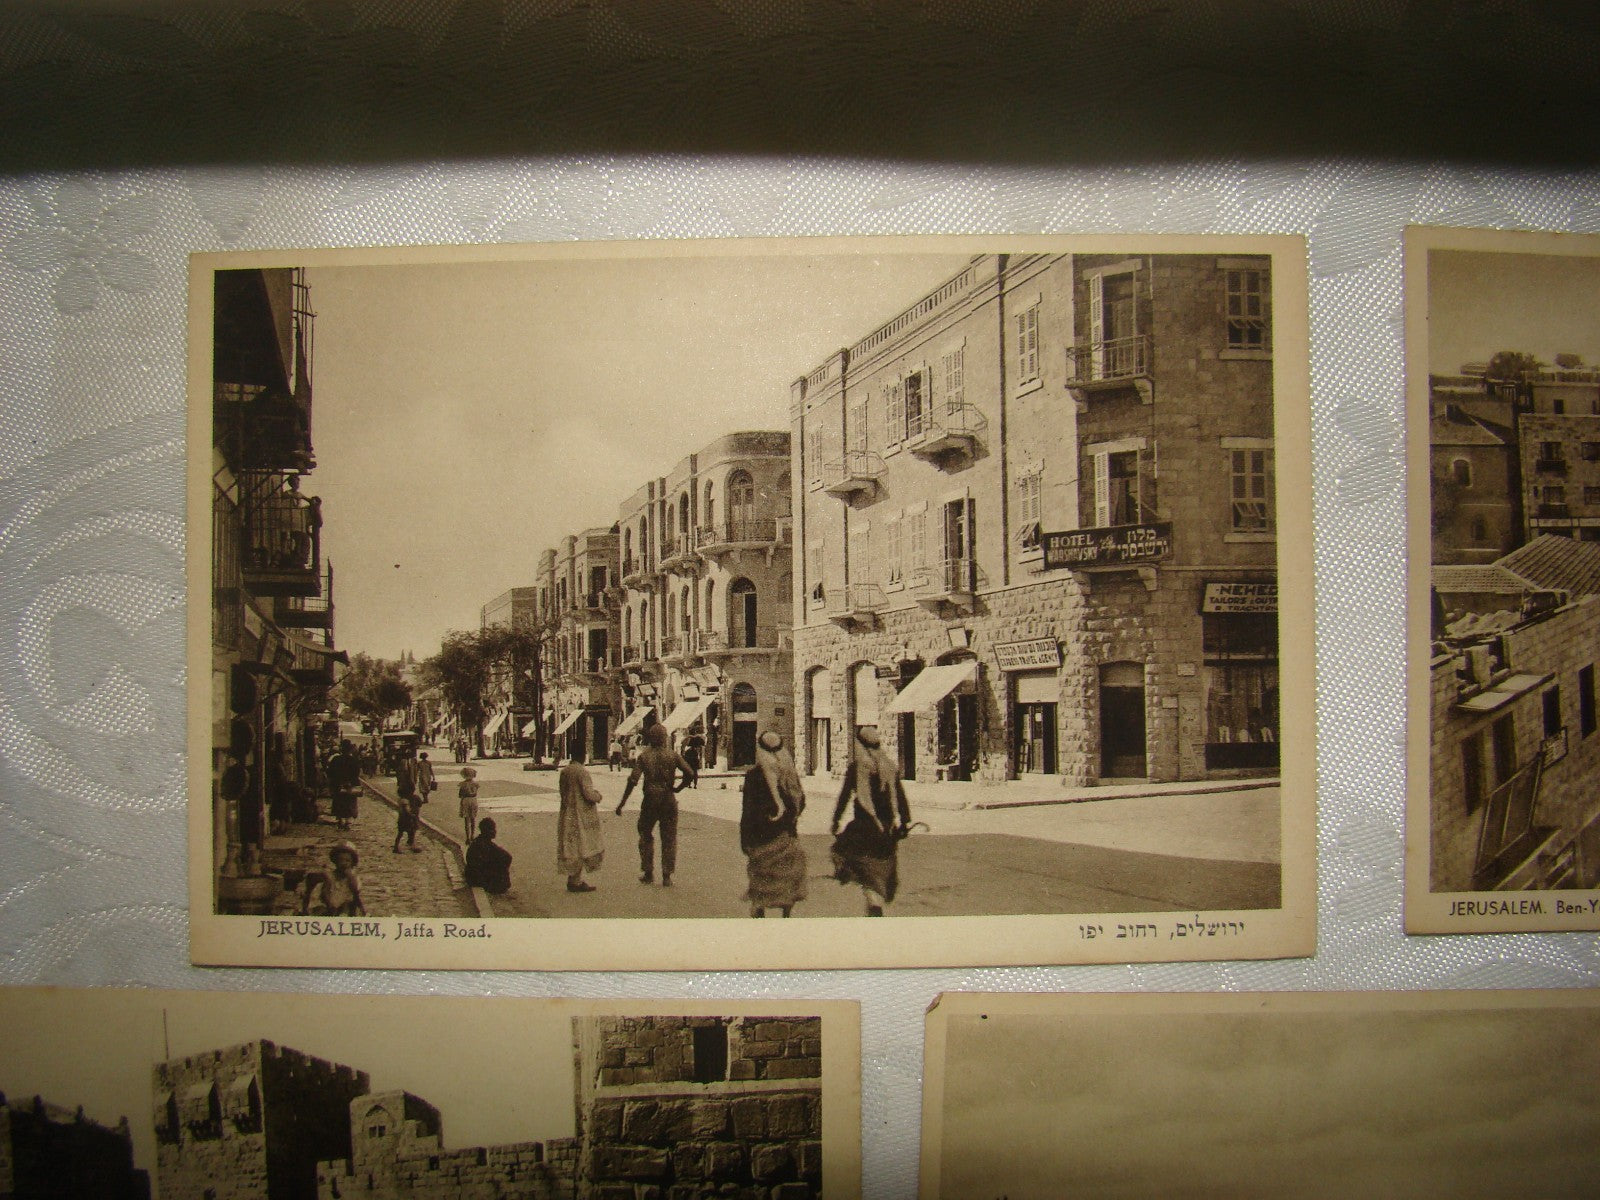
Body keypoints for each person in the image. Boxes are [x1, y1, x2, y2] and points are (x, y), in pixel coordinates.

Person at [830, 725, 912, 916]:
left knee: (857, 864)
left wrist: (836, 820)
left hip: (863, 827)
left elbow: (844, 796)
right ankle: (876, 901)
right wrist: (904, 820)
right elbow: (899, 795)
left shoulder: (857, 768)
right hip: (886, 829)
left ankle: (873, 902)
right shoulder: (889, 767)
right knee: (881, 865)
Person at [616, 721, 695, 886]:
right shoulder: (672, 755)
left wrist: (622, 803)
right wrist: (678, 788)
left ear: (651, 738)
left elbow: (633, 780)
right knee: (669, 838)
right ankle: (667, 875)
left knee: (645, 834)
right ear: (665, 738)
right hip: (668, 798)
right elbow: (689, 772)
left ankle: (648, 871)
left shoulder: (644, 756)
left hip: (650, 799)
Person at [741, 730, 808, 918]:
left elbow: (748, 810)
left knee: (761, 877)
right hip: (786, 835)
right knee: (786, 875)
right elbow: (801, 801)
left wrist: (745, 839)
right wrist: (790, 820)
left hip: (761, 837)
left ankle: (759, 911)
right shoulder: (789, 773)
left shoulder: (754, 775)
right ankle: (786, 913)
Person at [558, 751, 605, 892]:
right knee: (581, 846)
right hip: (580, 815)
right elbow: (588, 794)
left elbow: (562, 792)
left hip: (567, 813)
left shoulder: (565, 771)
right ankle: (575, 881)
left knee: (571, 846)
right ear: (583, 756)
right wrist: (598, 796)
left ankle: (573, 878)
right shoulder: (582, 772)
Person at [304, 842, 366, 916]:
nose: (344, 863)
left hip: (343, 906)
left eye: (347, 861)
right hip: (327, 904)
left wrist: (350, 876)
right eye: (341, 860)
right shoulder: (329, 876)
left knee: (347, 906)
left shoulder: (354, 878)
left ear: (352, 863)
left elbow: (355, 891)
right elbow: (324, 893)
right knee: (321, 910)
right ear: (335, 861)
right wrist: (329, 905)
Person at [464, 817, 512, 895]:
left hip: (472, 875)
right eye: (492, 829)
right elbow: (507, 857)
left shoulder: (480, 841)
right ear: (487, 831)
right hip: (477, 878)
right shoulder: (484, 844)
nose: (495, 831)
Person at [326, 739, 361, 831]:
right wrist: (351, 781)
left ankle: (340, 820)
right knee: (349, 802)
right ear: (350, 749)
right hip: (349, 785)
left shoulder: (336, 759)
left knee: (339, 802)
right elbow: (356, 773)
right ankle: (348, 822)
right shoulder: (353, 760)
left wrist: (334, 782)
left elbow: (330, 772)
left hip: (338, 784)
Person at [393, 751, 423, 854]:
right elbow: (419, 804)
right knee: (412, 832)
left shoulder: (402, 799)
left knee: (401, 833)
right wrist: (412, 815)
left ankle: (398, 846)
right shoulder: (413, 798)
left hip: (403, 819)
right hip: (410, 818)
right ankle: (411, 845)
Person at [457, 766, 480, 845]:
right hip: (473, 800)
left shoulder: (462, 784)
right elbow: (475, 793)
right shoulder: (476, 784)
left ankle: (467, 838)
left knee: (466, 820)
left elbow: (460, 795)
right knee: (473, 819)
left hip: (466, 800)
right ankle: (472, 836)